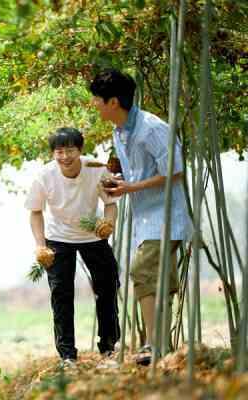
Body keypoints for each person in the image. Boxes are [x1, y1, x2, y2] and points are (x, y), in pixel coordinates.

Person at [89, 69, 192, 365]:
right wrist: (118, 181)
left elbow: (175, 171)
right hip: (144, 217)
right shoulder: (120, 131)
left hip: (166, 215)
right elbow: (136, 171)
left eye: (97, 99)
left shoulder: (152, 129)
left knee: (142, 271)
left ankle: (153, 345)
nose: (94, 104)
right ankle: (162, 350)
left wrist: (130, 187)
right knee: (158, 281)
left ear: (113, 102)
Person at [25, 127, 121, 366]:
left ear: (80, 150)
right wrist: (40, 246)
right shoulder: (44, 176)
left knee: (108, 287)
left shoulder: (97, 169)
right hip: (58, 238)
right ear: (53, 153)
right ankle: (67, 355)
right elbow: (35, 211)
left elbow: (111, 203)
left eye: (70, 150)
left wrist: (108, 224)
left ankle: (108, 347)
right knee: (61, 294)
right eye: (59, 152)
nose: (65, 156)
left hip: (93, 235)